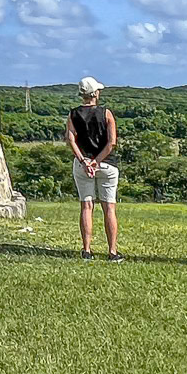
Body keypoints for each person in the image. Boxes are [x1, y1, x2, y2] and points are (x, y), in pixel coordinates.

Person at [65, 75, 122, 262]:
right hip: (106, 164)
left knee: (87, 206)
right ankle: (112, 252)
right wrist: (96, 162)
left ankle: (87, 250)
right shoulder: (106, 113)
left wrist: (84, 161)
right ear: (95, 93)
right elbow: (111, 143)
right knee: (109, 208)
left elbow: (70, 139)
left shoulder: (73, 114)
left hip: (83, 165)